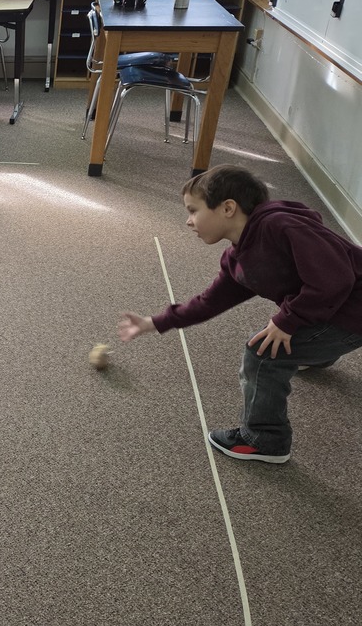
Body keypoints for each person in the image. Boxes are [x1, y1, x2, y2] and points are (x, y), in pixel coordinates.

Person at [118, 165, 362, 464]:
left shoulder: (282, 227)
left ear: (228, 208)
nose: (188, 221)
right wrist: (155, 322)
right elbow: (210, 302)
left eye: (193, 211)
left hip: (352, 312)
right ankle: (318, 352)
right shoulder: (238, 256)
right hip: (335, 308)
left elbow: (336, 279)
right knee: (291, 333)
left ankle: (265, 440)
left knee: (263, 354)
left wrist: (287, 320)